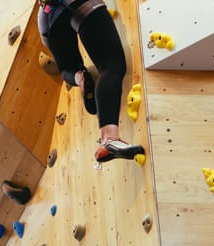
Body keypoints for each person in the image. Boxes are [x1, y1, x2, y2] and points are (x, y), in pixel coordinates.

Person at [37, 0, 146, 164]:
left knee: (67, 67)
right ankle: (109, 138)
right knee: (111, 65)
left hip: (46, 19)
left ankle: (79, 77)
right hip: (76, 3)